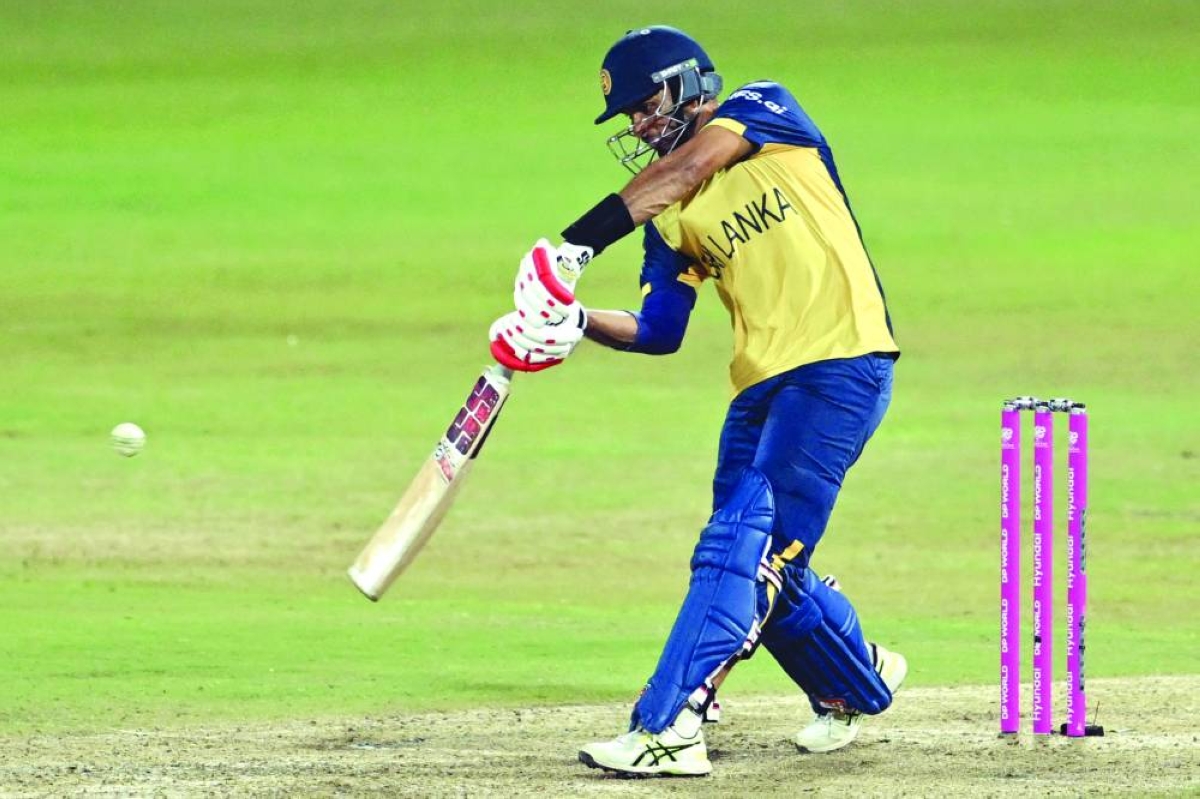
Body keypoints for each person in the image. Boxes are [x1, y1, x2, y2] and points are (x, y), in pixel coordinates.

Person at [488, 25, 907, 777]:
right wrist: (574, 322)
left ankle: (669, 725)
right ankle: (855, 678)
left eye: (645, 106)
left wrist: (575, 246)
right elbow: (658, 330)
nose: (638, 126)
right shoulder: (670, 220)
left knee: (743, 551)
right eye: (629, 117)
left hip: (840, 365)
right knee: (758, 559)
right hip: (760, 385)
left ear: (687, 86)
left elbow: (686, 168)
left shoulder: (765, 111)